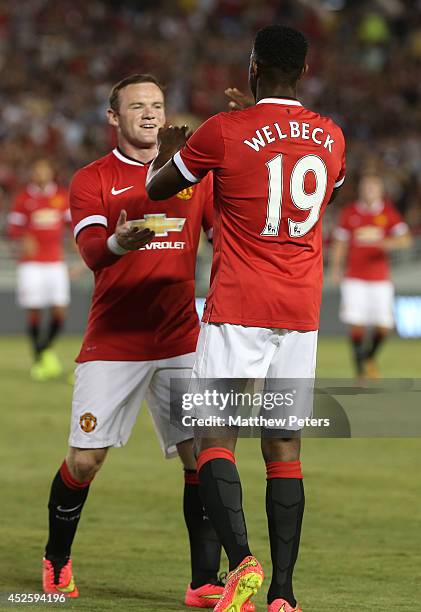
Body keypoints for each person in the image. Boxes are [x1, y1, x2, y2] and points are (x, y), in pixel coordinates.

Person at [146, 25, 346, 612]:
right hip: (301, 310)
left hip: (239, 304)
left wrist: (173, 149)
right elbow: (322, 188)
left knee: (215, 436)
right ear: (304, 73)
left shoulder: (223, 131)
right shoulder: (332, 135)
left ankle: (243, 564)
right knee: (283, 445)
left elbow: (162, 189)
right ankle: (283, 595)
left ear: (253, 66)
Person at [42, 74, 246, 611]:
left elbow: (221, 236)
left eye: (157, 104)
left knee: (199, 456)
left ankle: (204, 581)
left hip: (181, 336)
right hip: (114, 341)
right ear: (114, 118)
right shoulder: (93, 178)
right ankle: (57, 560)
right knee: (84, 462)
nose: (151, 114)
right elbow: (90, 251)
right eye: (137, 106)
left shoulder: (192, 177)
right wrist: (117, 240)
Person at [330, 173, 412, 378]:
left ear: (380, 191)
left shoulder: (388, 213)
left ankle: (368, 357)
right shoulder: (349, 213)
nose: (369, 191)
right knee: (355, 322)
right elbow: (340, 244)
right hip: (354, 277)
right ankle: (361, 370)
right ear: (361, 190)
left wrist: (387, 243)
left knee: (384, 326)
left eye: (373, 187)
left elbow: (406, 239)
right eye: (366, 187)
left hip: (380, 278)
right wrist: (336, 268)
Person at [7, 158, 70, 381]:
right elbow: (13, 228)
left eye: (45, 169)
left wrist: (78, 245)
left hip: (55, 262)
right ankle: (40, 359)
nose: (42, 173)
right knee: (34, 310)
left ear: (52, 172)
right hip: (31, 263)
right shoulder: (24, 198)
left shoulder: (61, 196)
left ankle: (43, 352)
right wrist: (24, 238)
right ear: (33, 174)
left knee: (59, 311)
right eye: (38, 170)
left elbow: (72, 224)